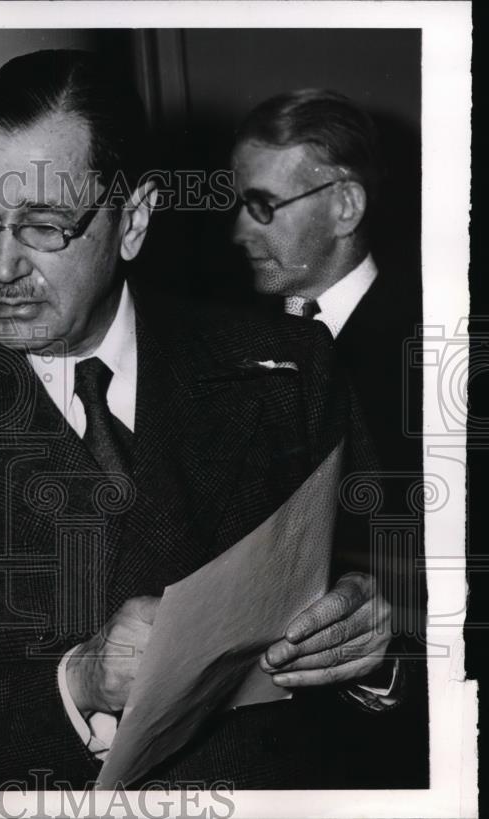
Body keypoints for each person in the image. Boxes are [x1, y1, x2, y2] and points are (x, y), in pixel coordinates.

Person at [0, 50, 400, 790]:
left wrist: (378, 643)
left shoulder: (286, 369)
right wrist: (75, 686)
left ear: (134, 220)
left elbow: (406, 607)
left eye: (44, 226)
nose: (1, 268)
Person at [231, 89, 427, 786]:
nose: (238, 233)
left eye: (261, 207)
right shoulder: (227, 350)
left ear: (345, 205)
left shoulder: (435, 353)